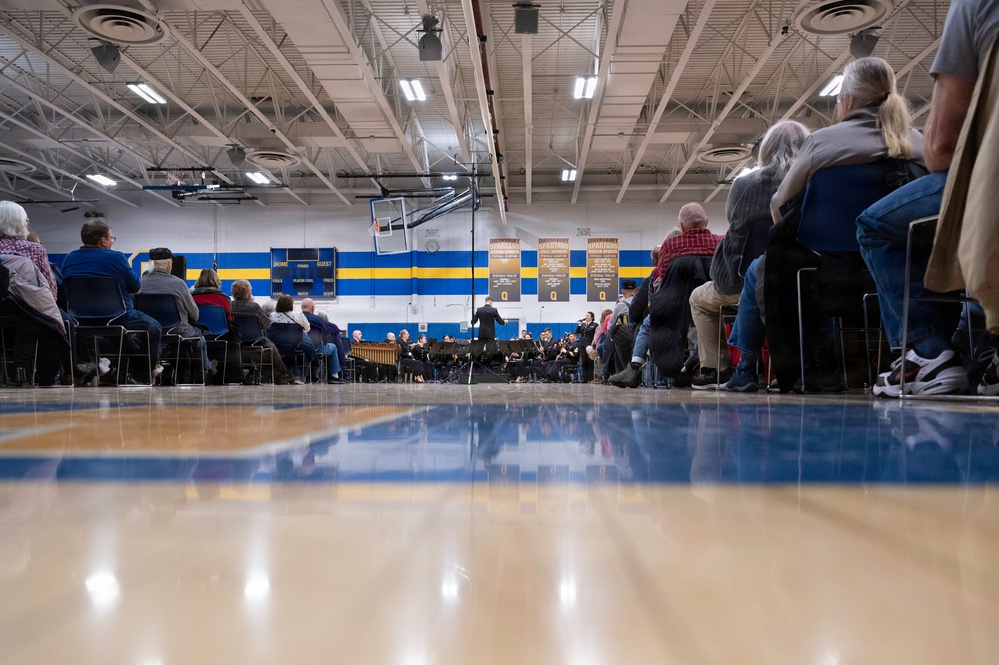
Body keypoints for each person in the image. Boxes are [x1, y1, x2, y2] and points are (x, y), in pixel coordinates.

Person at [747, 56, 925, 392]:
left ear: (848, 99)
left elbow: (779, 203)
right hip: (908, 264)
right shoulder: (917, 142)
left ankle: (818, 361)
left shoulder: (823, 142)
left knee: (788, 267)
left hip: (832, 264)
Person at [857, 2, 999, 397]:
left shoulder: (976, 5)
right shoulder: (909, 140)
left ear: (846, 100)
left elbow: (943, 146)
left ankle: (928, 352)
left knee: (876, 225)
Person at [686, 121, 810, 391]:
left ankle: (717, 367)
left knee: (698, 298)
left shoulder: (744, 185)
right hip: (806, 277)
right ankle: (782, 371)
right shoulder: (813, 179)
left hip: (743, 281)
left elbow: (735, 224)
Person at [61, 219, 162, 384]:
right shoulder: (117, 258)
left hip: (79, 319)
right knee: (154, 327)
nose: (111, 241)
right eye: (111, 238)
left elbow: (65, 289)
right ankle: (142, 376)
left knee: (123, 339)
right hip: (117, 316)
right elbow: (136, 288)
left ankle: (112, 371)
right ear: (103, 240)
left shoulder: (69, 259)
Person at [140, 248, 213, 382]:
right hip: (177, 329)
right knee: (199, 338)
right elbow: (195, 314)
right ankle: (202, 376)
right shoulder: (178, 283)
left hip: (148, 331)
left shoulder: (140, 283)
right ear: (169, 265)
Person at [230, 280, 301, 384]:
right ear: (248, 293)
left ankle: (276, 375)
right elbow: (267, 324)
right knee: (271, 348)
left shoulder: (230, 306)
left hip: (235, 341)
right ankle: (282, 372)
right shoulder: (254, 307)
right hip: (255, 341)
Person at [269, 294, 318, 377]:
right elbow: (307, 328)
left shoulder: (272, 315)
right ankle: (301, 375)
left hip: (277, 345)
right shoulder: (298, 315)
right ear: (291, 304)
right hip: (296, 344)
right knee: (308, 350)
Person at [300, 298, 344, 383]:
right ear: (312, 308)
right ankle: (334, 376)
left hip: (299, 348)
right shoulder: (318, 319)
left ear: (301, 307)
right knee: (333, 347)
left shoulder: (297, 318)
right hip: (317, 348)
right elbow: (326, 336)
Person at [575, 311, 598, 382]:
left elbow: (595, 334)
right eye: (586, 315)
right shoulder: (583, 325)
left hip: (590, 344)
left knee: (590, 361)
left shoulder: (595, 324)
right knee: (584, 361)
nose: (586, 317)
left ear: (592, 317)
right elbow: (577, 332)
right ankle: (584, 378)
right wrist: (579, 325)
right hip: (582, 344)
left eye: (588, 316)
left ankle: (590, 377)